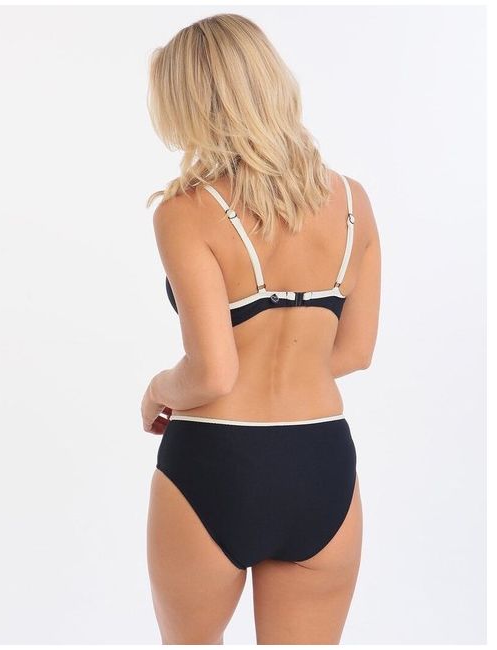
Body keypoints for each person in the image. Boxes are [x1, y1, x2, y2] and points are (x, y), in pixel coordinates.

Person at [141, 13, 381, 645]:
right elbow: (356, 351)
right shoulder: (352, 202)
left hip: (215, 464)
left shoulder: (186, 211)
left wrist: (159, 388)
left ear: (189, 103)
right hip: (321, 464)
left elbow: (213, 372)